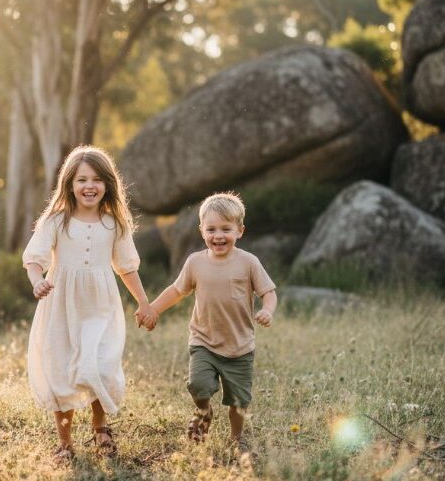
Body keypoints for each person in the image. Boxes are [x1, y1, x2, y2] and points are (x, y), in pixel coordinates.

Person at [23, 145, 155, 462]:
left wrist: (143, 302)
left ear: (108, 184)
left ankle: (100, 428)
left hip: (100, 305)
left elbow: (126, 266)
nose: (89, 186)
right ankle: (65, 443)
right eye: (82, 179)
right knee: (61, 369)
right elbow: (33, 260)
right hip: (60, 304)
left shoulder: (114, 223)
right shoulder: (55, 220)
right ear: (69, 184)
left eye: (96, 179)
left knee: (98, 363)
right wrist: (37, 281)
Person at [140, 192, 277, 455]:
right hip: (203, 341)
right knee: (198, 385)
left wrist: (268, 310)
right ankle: (204, 411)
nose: (218, 236)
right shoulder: (195, 262)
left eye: (226, 229)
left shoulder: (248, 262)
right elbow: (177, 291)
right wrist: (153, 308)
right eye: (211, 229)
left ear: (240, 231)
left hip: (240, 347)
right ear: (201, 230)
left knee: (239, 402)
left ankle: (237, 439)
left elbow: (268, 292)